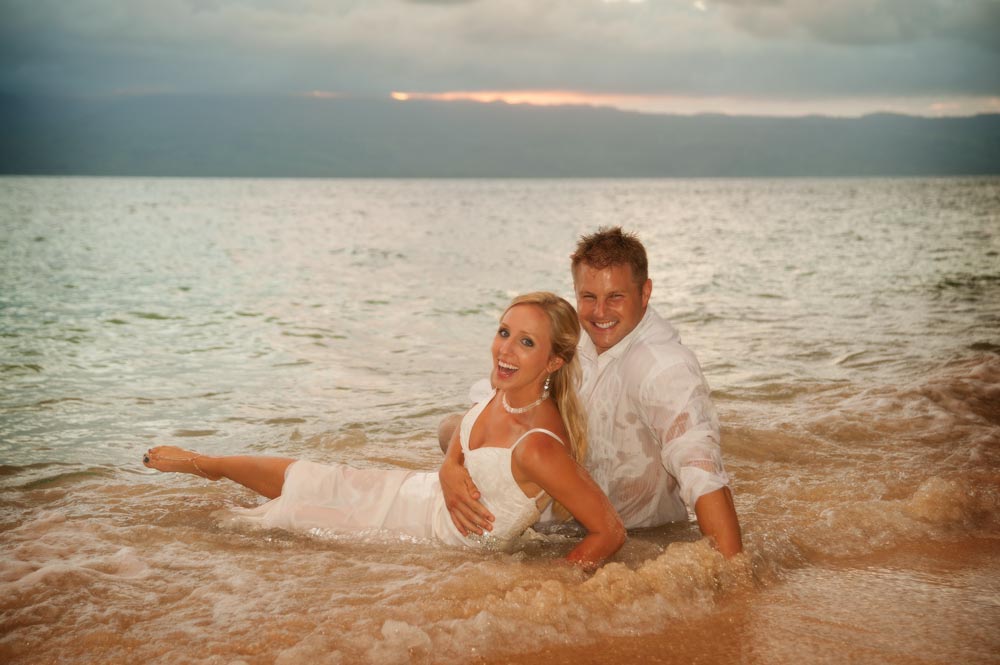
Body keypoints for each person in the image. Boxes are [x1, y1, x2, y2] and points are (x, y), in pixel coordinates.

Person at [143, 292, 625, 569]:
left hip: (427, 536)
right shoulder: (499, 394)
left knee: (281, 522)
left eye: (526, 342)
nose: (506, 350)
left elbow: (609, 530)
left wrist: (554, 586)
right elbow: (465, 431)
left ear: (555, 361)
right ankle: (208, 465)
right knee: (317, 477)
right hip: (413, 496)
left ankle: (214, 476)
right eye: (503, 333)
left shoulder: (540, 447)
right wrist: (448, 467)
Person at [439, 228, 743, 558]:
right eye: (588, 297)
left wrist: (734, 578)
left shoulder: (664, 367)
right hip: (550, 525)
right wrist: (450, 468)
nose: (600, 313)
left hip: (632, 536)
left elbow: (702, 469)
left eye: (615, 297)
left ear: (645, 293)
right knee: (449, 428)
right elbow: (493, 397)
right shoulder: (573, 338)